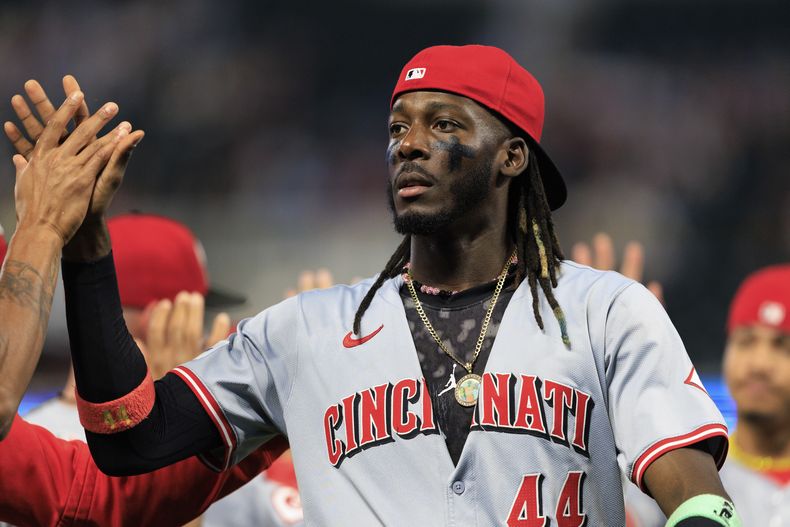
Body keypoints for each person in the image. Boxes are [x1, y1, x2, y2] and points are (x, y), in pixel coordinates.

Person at [39, 45, 741, 525]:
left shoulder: (604, 308)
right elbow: (128, 442)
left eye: (442, 125)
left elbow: (684, 473)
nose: (407, 142)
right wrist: (86, 248)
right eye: (397, 126)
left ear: (512, 156)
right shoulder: (302, 332)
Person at [0, 82, 290, 526]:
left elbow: (99, 498)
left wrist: (191, 418)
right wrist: (42, 225)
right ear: (162, 319)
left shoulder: (31, 447)